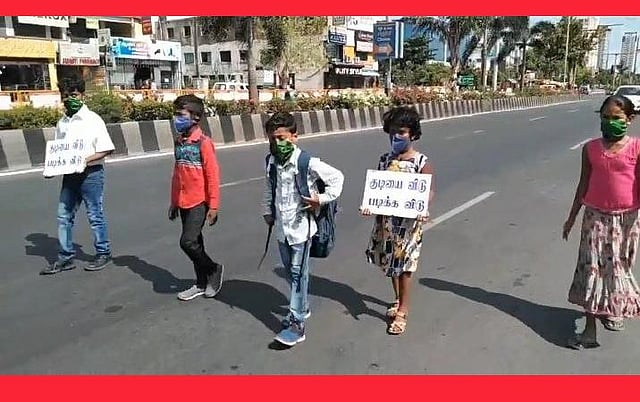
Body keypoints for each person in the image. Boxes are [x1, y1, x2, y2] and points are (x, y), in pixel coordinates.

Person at [563, 95, 640, 349]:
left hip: (627, 220)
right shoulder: (590, 149)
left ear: (629, 119)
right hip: (594, 218)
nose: (610, 122)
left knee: (618, 268)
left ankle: (613, 310)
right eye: (605, 117)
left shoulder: (637, 148)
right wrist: (572, 217)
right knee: (591, 269)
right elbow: (583, 184)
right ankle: (589, 329)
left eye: (616, 118)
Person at [262, 112, 344, 346]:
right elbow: (269, 187)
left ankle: (297, 325)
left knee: (298, 274)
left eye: (281, 138)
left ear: (294, 137)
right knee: (290, 271)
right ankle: (302, 306)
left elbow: (337, 178)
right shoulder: (271, 161)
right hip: (282, 228)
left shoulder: (307, 162)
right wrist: (267, 210)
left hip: (302, 229)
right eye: (273, 138)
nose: (277, 142)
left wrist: (321, 199)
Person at [361, 106, 434, 336]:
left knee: (405, 267)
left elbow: (428, 190)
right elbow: (378, 189)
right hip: (387, 224)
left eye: (401, 132)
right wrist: (369, 206)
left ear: (412, 134)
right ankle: (397, 299)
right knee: (391, 263)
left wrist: (423, 208)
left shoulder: (420, 162)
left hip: (409, 226)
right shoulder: (385, 160)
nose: (396, 136)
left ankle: (403, 311)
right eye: (392, 132)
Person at [40, 76, 116, 275]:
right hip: (70, 176)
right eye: (66, 96)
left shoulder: (92, 120)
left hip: (91, 174)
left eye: (74, 95)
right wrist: (52, 168)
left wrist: (84, 160)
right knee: (63, 216)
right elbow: (60, 151)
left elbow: (107, 148)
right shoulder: (62, 122)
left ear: (82, 95)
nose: (70, 99)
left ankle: (103, 252)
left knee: (95, 215)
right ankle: (65, 257)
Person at [168, 94, 224, 301]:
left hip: (199, 201)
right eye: (175, 115)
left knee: (188, 242)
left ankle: (213, 269)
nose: (176, 119)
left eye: (181, 115)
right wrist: (174, 202)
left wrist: (214, 205)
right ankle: (201, 283)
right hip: (183, 201)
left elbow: (212, 175)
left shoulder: (203, 143)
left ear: (196, 118)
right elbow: (177, 174)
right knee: (197, 243)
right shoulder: (179, 142)